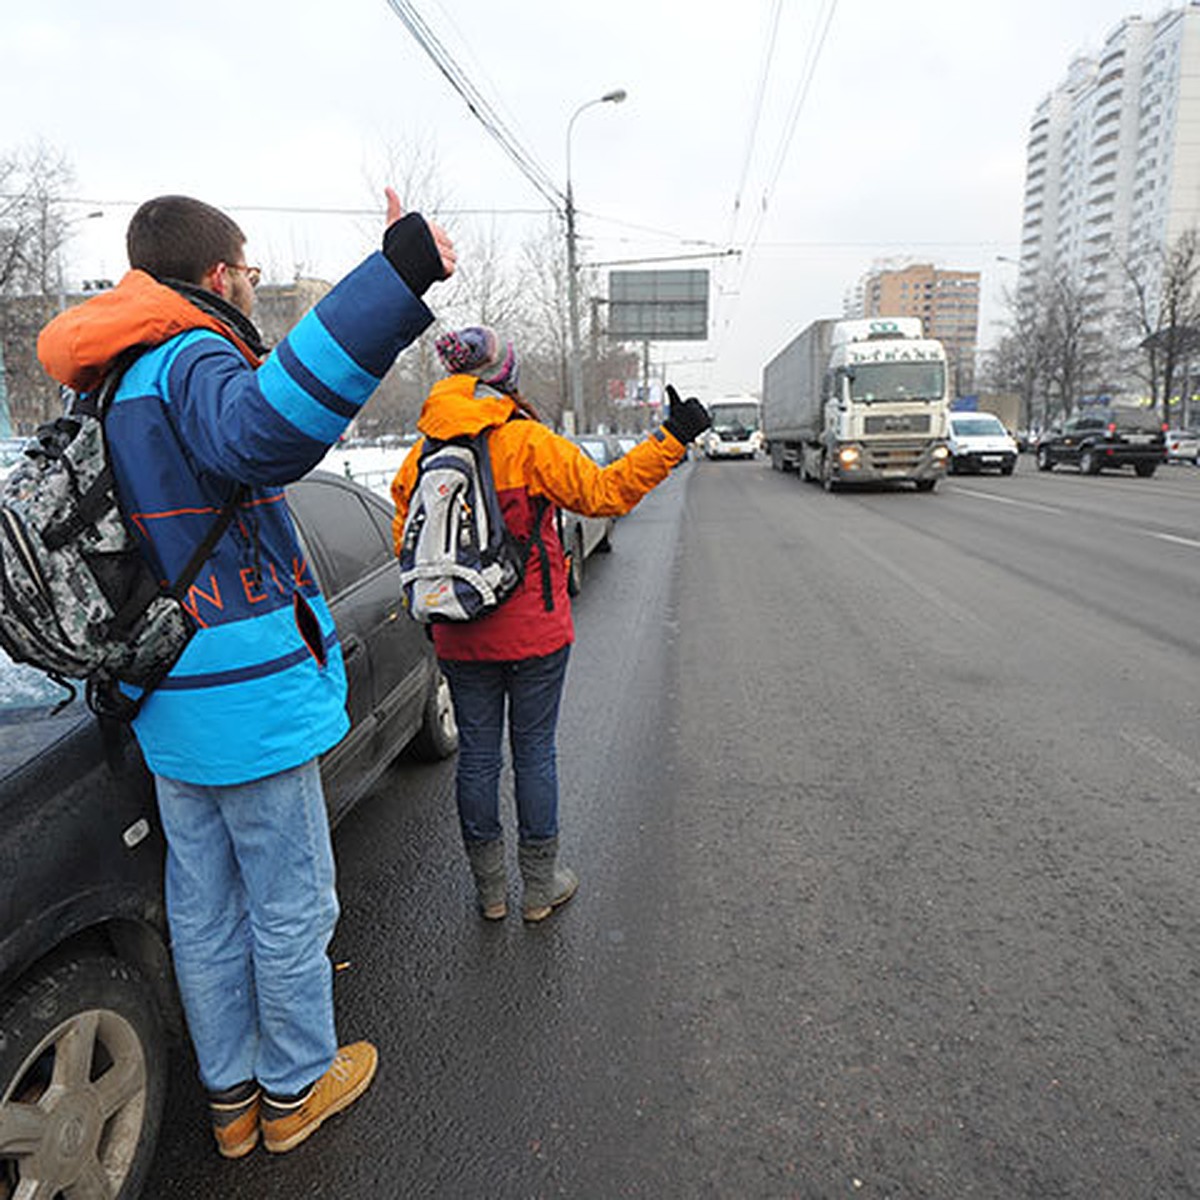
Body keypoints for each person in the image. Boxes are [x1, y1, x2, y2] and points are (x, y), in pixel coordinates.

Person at [37, 190, 455, 1158]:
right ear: (218, 276)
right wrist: (394, 275)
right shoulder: (191, 357)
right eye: (252, 270)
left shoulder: (109, 383)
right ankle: (299, 1084)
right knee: (291, 898)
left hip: (166, 693)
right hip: (245, 697)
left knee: (206, 904)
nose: (256, 285)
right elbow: (267, 430)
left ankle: (231, 1102)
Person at [390, 327, 710, 923]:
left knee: (478, 758)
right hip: (534, 630)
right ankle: (540, 887)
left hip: (459, 631)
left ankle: (489, 891)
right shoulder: (528, 442)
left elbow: (405, 543)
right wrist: (672, 438)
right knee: (534, 751)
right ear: (504, 378)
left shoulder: (420, 457)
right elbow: (606, 493)